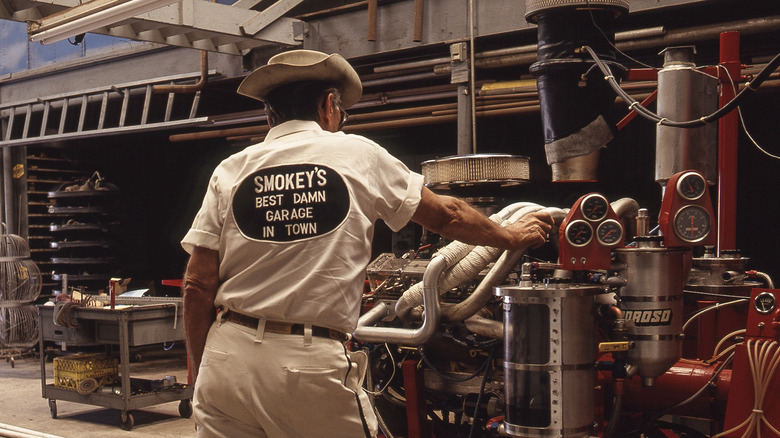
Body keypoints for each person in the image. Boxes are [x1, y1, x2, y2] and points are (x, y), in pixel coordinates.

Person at [181, 49, 554, 438]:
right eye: (341, 112)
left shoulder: (231, 169)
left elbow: (197, 283)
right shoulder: (356, 153)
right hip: (305, 363)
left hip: (226, 356)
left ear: (269, 114)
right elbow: (448, 216)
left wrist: (203, 369)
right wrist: (511, 234)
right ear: (329, 105)